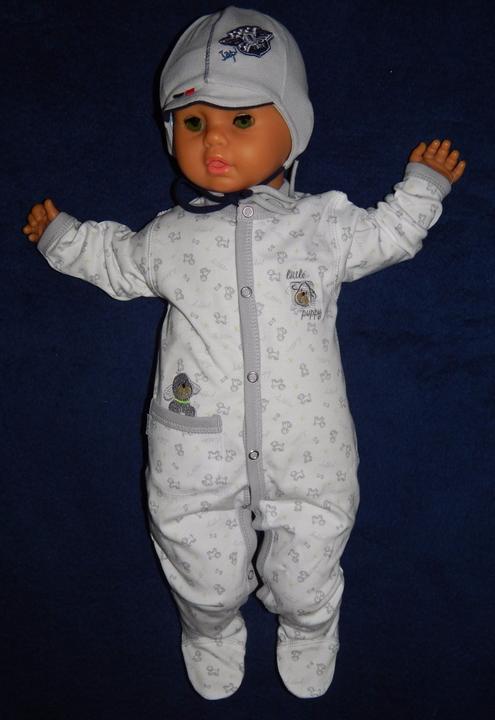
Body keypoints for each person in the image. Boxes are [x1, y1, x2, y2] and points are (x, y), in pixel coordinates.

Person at [23, 6, 465, 700]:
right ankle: (208, 626)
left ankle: (311, 622)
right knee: (197, 558)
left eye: (242, 120)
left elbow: (386, 235)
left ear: (294, 130)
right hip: (193, 440)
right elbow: (119, 260)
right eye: (194, 123)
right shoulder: (170, 234)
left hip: (308, 444)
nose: (215, 142)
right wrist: (64, 239)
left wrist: (422, 189)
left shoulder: (322, 224)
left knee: (309, 559)